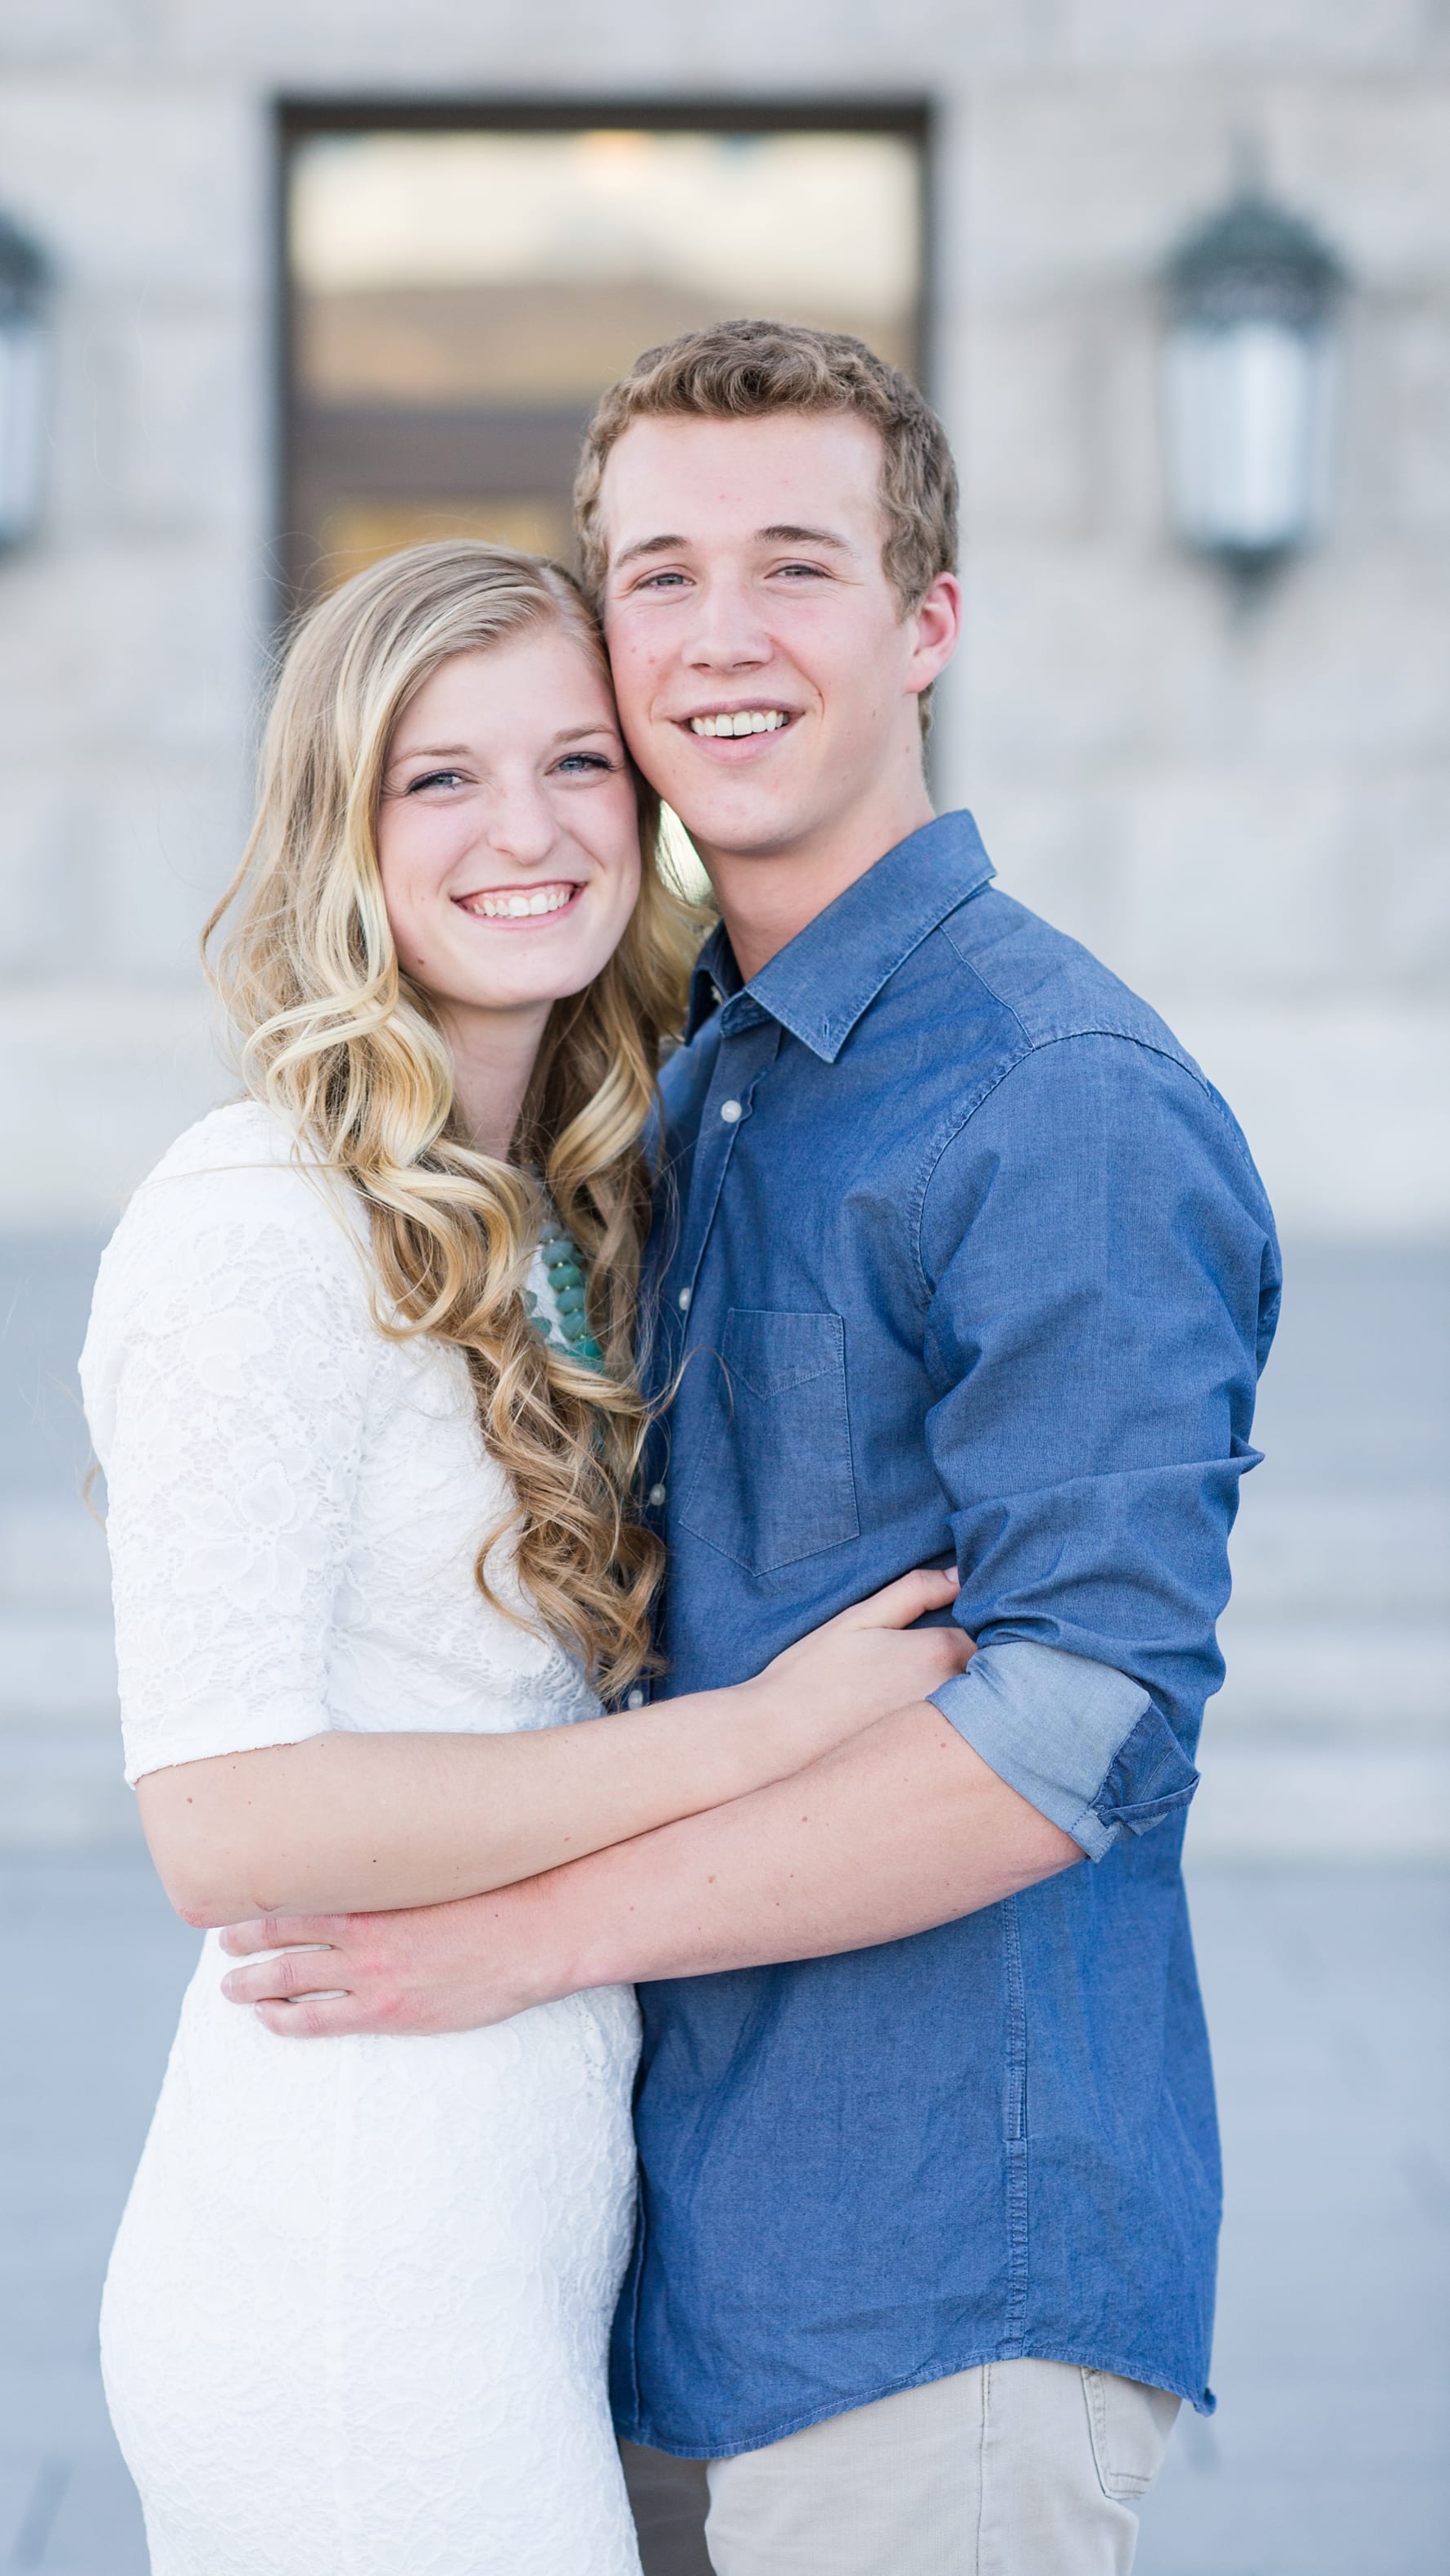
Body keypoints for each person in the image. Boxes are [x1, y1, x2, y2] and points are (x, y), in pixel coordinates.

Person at [219, 325, 1283, 2576]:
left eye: (792, 566)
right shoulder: (696, 1067)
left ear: (924, 625)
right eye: (659, 573)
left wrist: (518, 1937)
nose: (717, 639)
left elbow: (1071, 1724)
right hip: (659, 2266)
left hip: (936, 2286)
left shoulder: (1055, 1093)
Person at [81, 536, 976, 2576]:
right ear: (343, 828)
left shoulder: (548, 1204)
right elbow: (220, 1819)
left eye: (578, 762)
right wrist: (763, 1735)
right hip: (344, 2243)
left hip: (513, 2220)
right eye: (441, 778)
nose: (528, 829)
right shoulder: (256, 1225)